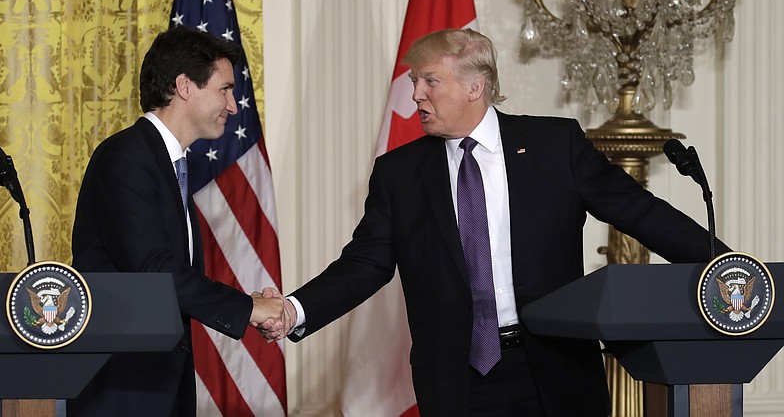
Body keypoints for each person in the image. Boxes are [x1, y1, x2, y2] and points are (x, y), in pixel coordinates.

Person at [259, 28, 730, 416]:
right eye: (414, 82)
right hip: (458, 380)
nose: (416, 94)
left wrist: (731, 270)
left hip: (555, 366)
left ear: (474, 86)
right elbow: (365, 263)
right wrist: (296, 310)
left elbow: (639, 212)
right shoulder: (399, 173)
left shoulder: (553, 145)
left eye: (428, 81)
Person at [69, 26, 285, 417]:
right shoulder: (126, 158)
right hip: (123, 389)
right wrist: (248, 309)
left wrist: (249, 303)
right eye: (224, 89)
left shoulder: (170, 165)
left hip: (163, 384)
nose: (234, 106)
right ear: (185, 86)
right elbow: (154, 271)